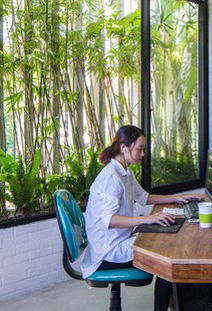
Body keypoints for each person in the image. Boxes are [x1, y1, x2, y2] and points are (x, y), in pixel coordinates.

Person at [81, 125, 203, 311]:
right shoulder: (111, 178)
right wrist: (147, 220)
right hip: (108, 251)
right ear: (124, 148)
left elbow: (144, 197)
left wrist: (177, 198)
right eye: (140, 148)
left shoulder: (125, 172)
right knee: (166, 256)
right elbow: (110, 220)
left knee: (165, 242)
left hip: (120, 239)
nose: (143, 154)